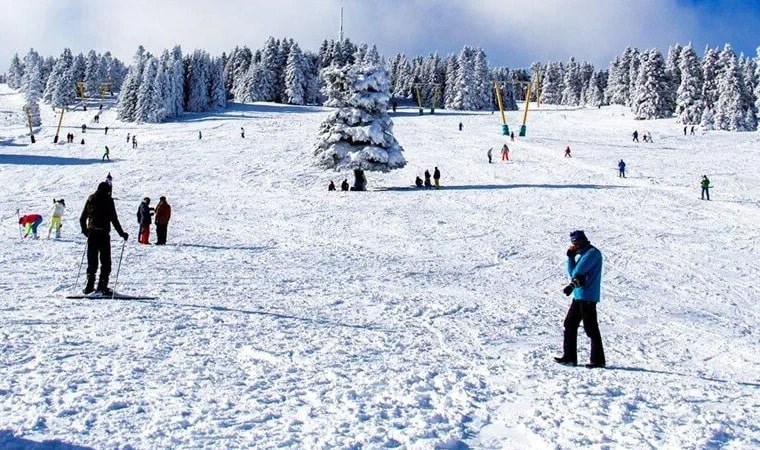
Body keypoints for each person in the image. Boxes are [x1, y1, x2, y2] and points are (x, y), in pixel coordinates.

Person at [555, 230, 606, 369]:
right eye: (573, 243)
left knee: (591, 328)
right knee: (570, 324)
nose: (574, 245)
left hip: (588, 296)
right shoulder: (583, 254)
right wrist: (571, 258)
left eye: (576, 243)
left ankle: (598, 360)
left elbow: (576, 272)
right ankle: (569, 357)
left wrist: (572, 258)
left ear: (582, 241)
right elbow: (573, 274)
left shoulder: (592, 254)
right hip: (579, 296)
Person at [80, 181, 128, 295]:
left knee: (92, 261)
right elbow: (114, 219)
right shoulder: (108, 200)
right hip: (103, 234)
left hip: (92, 233)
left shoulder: (91, 199)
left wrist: (86, 232)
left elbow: (82, 218)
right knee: (105, 262)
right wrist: (122, 234)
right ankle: (102, 286)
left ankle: (89, 286)